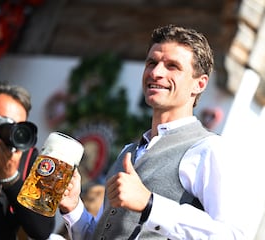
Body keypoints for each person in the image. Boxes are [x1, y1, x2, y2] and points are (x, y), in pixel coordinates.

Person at [59, 24, 245, 239]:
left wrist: (149, 204)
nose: (156, 73)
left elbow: (232, 235)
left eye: (172, 66)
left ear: (199, 84)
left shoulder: (209, 149)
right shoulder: (129, 151)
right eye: (152, 62)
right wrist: (73, 209)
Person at [0, 81, 55, 240]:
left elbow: (42, 230)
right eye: (4, 123)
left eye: (18, 126)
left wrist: (11, 180)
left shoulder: (29, 159)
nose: (11, 132)